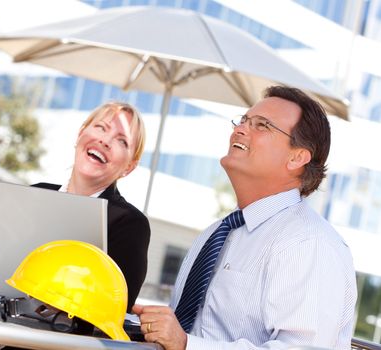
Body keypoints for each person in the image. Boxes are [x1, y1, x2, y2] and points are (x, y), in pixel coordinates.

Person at [132, 86, 357, 350]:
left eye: (262, 125)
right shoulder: (217, 233)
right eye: (242, 121)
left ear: (297, 157)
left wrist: (187, 344)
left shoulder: (309, 244)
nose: (239, 130)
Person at [0, 101, 150, 313]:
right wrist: (23, 306)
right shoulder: (31, 196)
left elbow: (112, 312)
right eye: (101, 127)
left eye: (122, 141)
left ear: (129, 166)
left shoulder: (129, 224)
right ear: (81, 133)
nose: (105, 140)